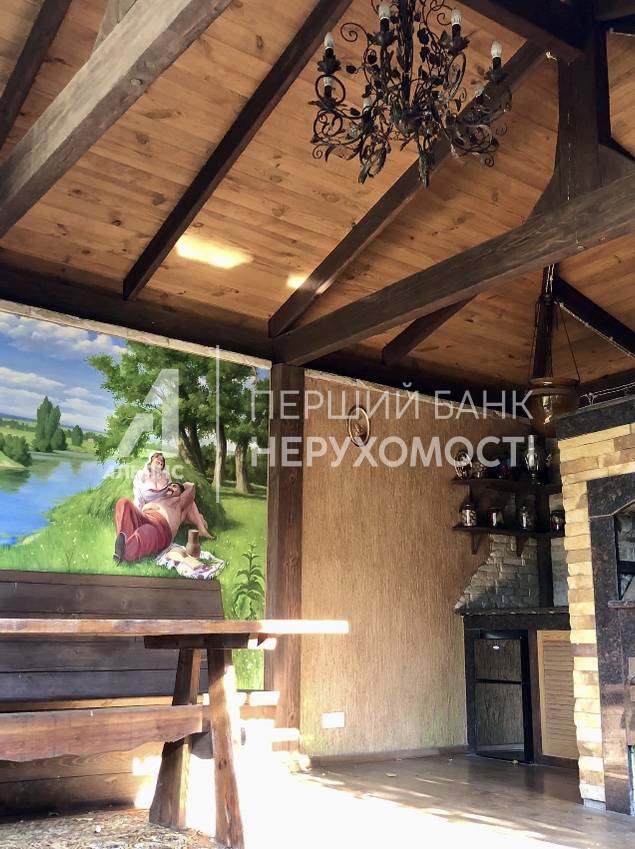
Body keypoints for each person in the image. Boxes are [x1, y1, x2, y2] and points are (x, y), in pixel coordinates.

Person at [113, 482, 214, 564]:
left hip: (161, 528)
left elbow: (191, 486)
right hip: (145, 517)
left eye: (174, 486)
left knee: (143, 533)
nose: (170, 487)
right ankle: (123, 539)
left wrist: (180, 487)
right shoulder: (159, 498)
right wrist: (148, 506)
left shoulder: (180, 502)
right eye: (169, 486)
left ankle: (124, 552)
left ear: (181, 492)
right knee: (124, 503)